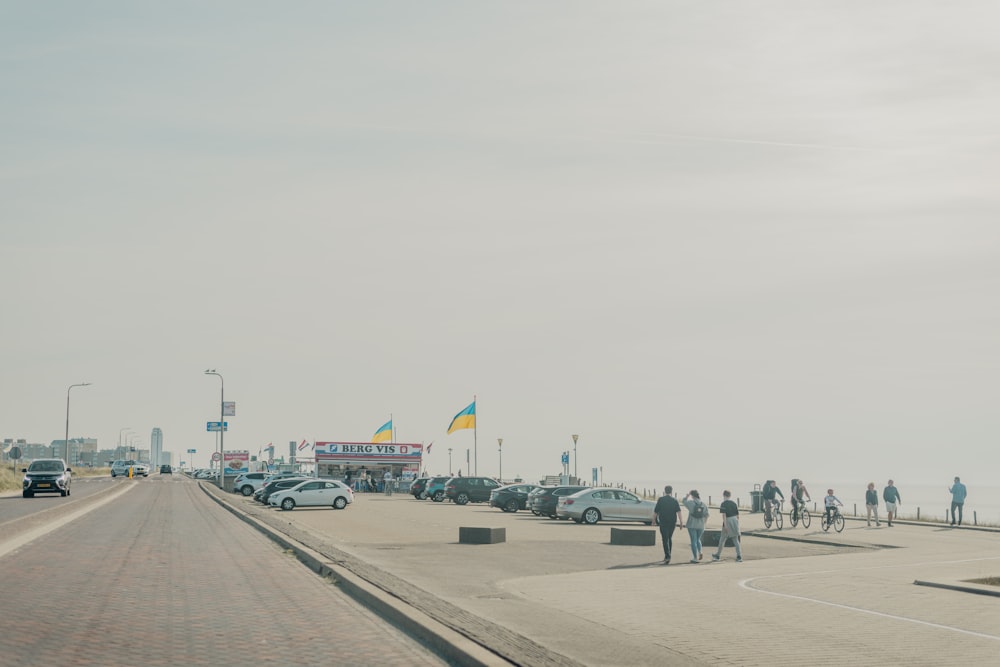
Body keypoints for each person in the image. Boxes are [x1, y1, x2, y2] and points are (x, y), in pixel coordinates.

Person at [654, 485, 682, 564]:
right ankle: (668, 555)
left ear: (665, 491)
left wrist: (653, 520)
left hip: (663, 522)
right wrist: (681, 522)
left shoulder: (661, 500)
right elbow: (679, 511)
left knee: (665, 539)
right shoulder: (674, 500)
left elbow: (656, 511)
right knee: (669, 538)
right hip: (672, 522)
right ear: (671, 491)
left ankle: (667, 556)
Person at [711, 490, 742, 563]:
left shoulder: (723, 504)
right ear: (730, 495)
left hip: (728, 520)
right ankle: (739, 556)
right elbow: (738, 515)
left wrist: (725, 525)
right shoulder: (734, 503)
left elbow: (724, 515)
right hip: (735, 520)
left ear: (724, 495)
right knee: (735, 540)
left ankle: (717, 555)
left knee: (722, 539)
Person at [682, 490, 708, 563]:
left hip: (692, 524)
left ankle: (695, 558)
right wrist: (704, 523)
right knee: (698, 539)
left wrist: (686, 496)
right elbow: (707, 515)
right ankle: (700, 552)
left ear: (692, 495)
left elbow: (684, 502)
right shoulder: (704, 504)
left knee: (693, 541)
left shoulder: (691, 502)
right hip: (701, 525)